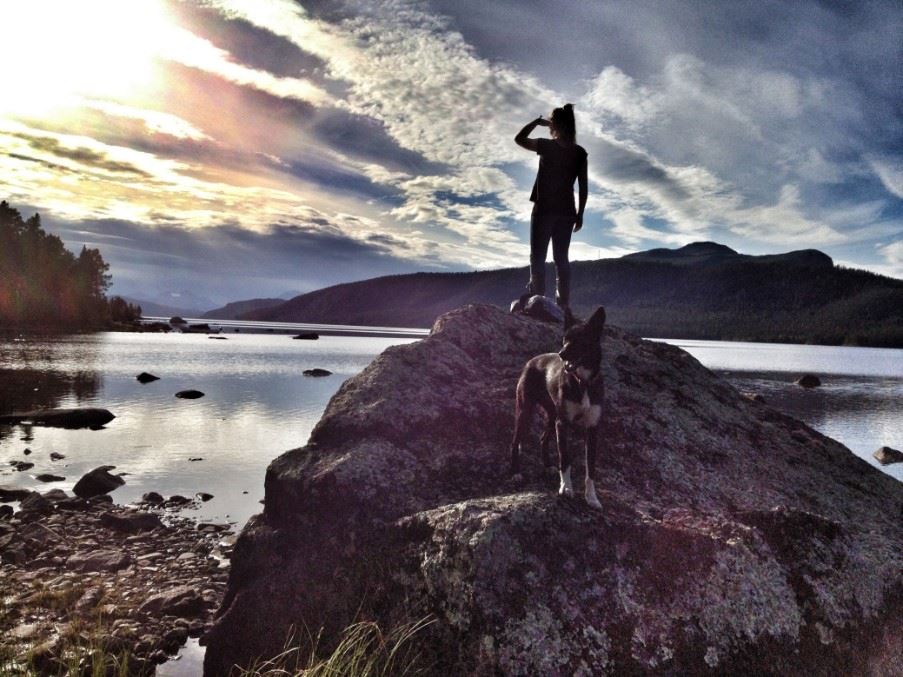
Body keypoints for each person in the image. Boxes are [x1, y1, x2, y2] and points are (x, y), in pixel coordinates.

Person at [515, 103, 588, 311]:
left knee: (538, 255)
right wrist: (580, 214)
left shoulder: (547, 146)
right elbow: (583, 187)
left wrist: (537, 122)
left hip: (544, 208)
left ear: (554, 124)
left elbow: (519, 139)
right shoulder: (579, 153)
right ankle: (562, 304)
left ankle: (537, 299)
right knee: (561, 258)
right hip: (567, 212)